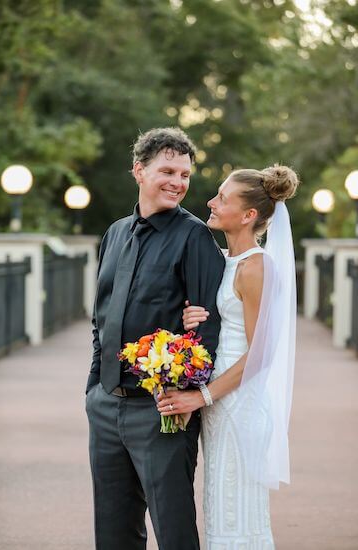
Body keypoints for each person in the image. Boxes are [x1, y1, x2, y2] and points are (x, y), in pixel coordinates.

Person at [85, 127, 225, 550]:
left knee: (174, 529)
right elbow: (101, 319)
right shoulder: (114, 233)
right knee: (113, 529)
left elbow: (208, 329)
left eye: (185, 174)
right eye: (168, 171)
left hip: (163, 412)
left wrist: (186, 396)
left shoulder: (195, 237)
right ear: (139, 171)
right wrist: (93, 389)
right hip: (107, 406)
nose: (178, 183)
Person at [157, 165, 299, 549]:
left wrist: (199, 396)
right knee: (220, 509)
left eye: (222, 197)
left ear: (249, 215)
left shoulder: (257, 267)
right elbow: (220, 318)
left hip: (239, 404)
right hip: (219, 402)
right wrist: (194, 317)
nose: (211, 202)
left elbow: (262, 353)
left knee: (238, 516)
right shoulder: (224, 259)